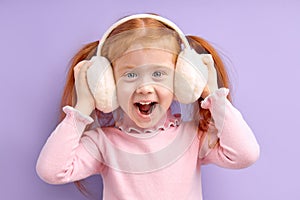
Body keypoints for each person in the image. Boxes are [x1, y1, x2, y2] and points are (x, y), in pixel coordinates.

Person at [36, 13, 260, 200]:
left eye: (159, 74)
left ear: (181, 80)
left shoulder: (193, 137)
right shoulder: (103, 143)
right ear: (109, 85)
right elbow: (51, 171)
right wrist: (83, 107)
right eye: (130, 74)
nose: (144, 87)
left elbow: (245, 154)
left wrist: (213, 96)